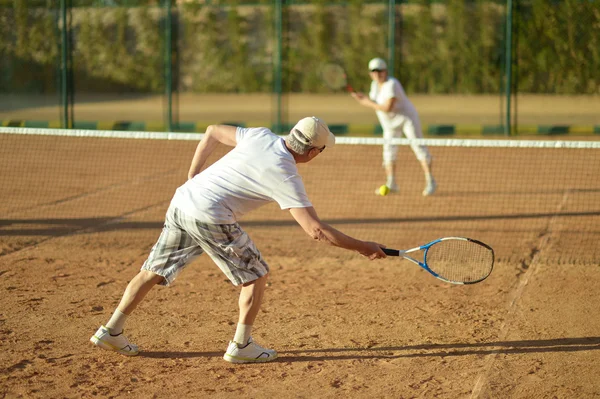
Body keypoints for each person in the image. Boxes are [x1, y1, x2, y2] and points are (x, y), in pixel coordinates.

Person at [90, 116, 387, 364]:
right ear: (312, 153)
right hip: (211, 215)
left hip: (183, 201)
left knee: (151, 271)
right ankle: (241, 346)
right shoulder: (286, 174)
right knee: (256, 275)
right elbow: (316, 230)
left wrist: (193, 175)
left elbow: (212, 132)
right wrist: (363, 247)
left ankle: (111, 330)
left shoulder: (260, 135)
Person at [351, 57, 437, 196]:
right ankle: (392, 183)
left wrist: (365, 102)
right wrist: (362, 98)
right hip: (389, 124)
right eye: (374, 71)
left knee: (418, 147)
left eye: (380, 70)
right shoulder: (374, 85)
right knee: (388, 152)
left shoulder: (392, 84)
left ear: (385, 71)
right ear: (370, 73)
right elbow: (375, 101)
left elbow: (387, 107)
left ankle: (430, 181)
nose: (377, 74)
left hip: (406, 119)